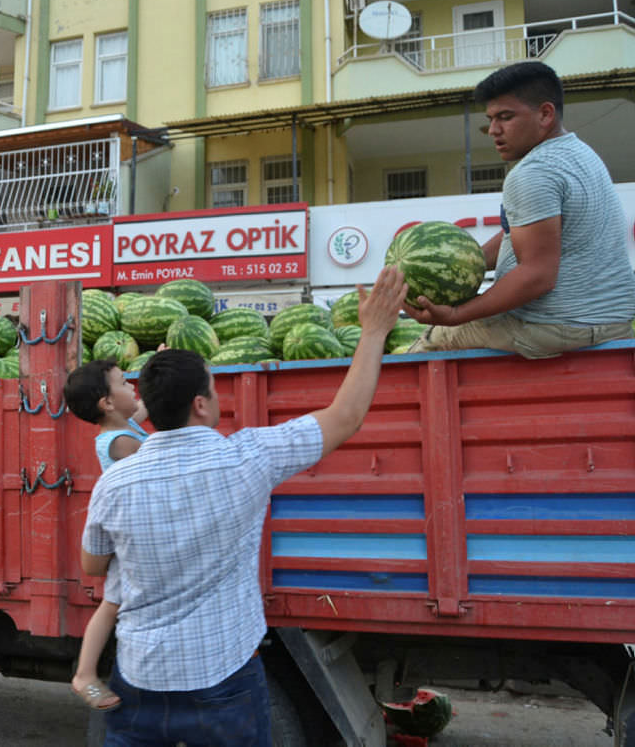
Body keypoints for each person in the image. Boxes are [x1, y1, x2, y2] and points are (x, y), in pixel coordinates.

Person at [80, 266, 408, 746]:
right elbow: (346, 415)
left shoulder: (115, 483)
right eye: (213, 388)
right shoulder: (249, 457)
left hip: (141, 683)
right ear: (200, 405)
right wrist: (375, 330)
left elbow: (93, 565)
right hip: (225, 681)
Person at [406, 61, 635, 358]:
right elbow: (521, 236)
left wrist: (454, 315)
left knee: (426, 347)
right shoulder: (580, 154)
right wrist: (458, 261)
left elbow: (537, 275)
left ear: (545, 114)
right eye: (490, 119)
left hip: (555, 326)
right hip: (610, 322)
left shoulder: (533, 173)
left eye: (506, 117)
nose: (493, 130)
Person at [63, 359, 151, 712]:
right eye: (124, 382)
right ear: (107, 403)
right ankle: (84, 674)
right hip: (126, 539)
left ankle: (88, 672)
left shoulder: (123, 427)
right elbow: (159, 459)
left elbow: (147, 407)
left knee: (112, 605)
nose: (133, 387)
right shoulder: (122, 442)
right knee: (111, 605)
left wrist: (157, 370)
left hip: (130, 535)